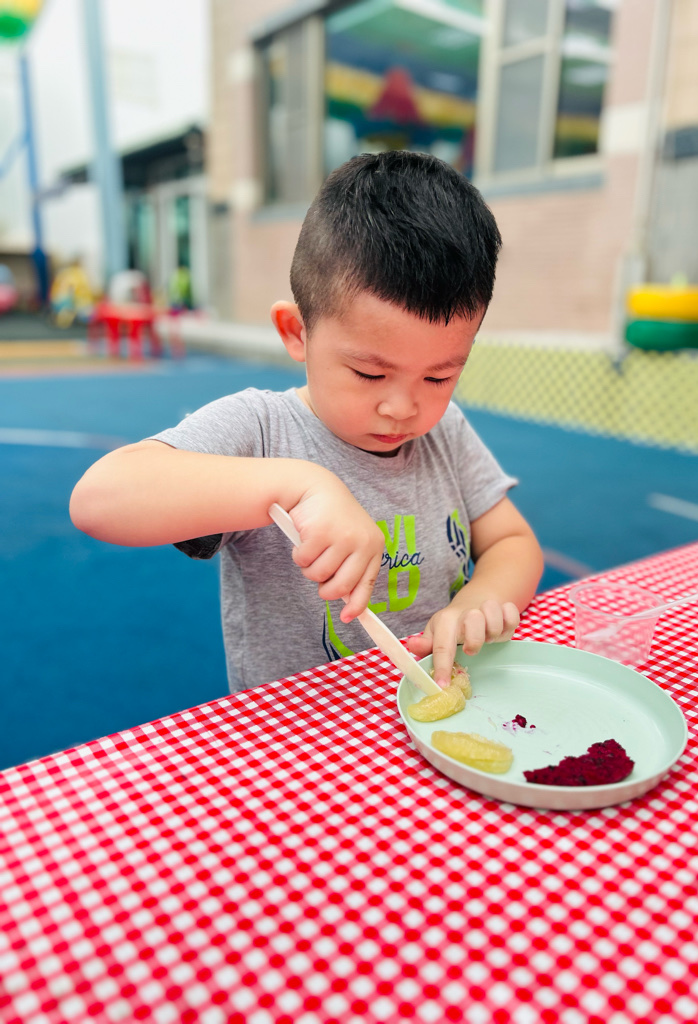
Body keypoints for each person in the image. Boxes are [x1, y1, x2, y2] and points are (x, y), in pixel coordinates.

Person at [70, 151, 543, 692]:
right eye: (369, 373)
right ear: (297, 332)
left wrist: (483, 598)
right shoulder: (262, 430)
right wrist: (299, 486)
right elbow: (99, 500)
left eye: (439, 377)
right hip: (300, 729)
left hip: (433, 714)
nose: (403, 407)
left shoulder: (444, 431)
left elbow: (511, 541)